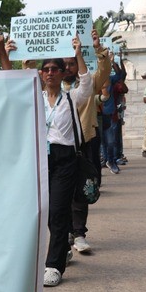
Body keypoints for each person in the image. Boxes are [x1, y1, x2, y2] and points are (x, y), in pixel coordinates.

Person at [42, 35, 93, 287]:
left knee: (59, 211)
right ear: (41, 74)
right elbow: (10, 88)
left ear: (63, 74)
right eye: (46, 69)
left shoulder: (71, 98)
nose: (50, 73)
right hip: (40, 159)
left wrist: (79, 54)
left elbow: (87, 84)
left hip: (64, 160)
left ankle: (53, 265)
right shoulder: (35, 99)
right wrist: (6, 56)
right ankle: (62, 248)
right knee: (45, 213)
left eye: (55, 69)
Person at [60, 29, 111, 255]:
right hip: (59, 145)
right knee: (60, 192)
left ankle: (79, 234)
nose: (69, 68)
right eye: (66, 65)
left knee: (81, 188)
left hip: (84, 142)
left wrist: (98, 49)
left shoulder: (87, 84)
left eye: (73, 63)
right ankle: (65, 236)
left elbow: (105, 71)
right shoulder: (49, 87)